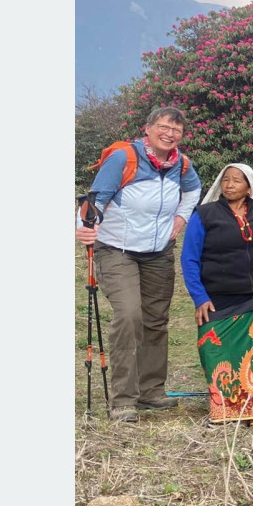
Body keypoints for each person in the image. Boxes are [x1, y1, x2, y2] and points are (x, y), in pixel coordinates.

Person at [76, 106, 202, 422]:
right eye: (163, 126)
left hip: (158, 252)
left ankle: (151, 393)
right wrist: (85, 227)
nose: (170, 134)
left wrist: (181, 218)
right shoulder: (124, 158)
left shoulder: (182, 165)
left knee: (156, 320)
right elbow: (96, 200)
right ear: (147, 128)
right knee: (129, 314)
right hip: (117, 250)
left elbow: (193, 192)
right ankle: (123, 400)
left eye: (177, 130)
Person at [180, 163, 253, 423]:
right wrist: (200, 297)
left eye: (236, 181)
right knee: (216, 353)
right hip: (218, 299)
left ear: (249, 187)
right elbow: (189, 259)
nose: (229, 185)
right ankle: (227, 411)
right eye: (226, 180)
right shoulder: (204, 216)